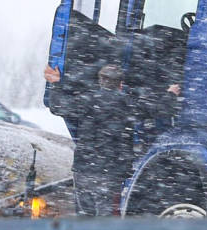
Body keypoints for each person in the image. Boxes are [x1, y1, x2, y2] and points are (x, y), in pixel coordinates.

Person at [44, 62, 142, 217]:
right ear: (120, 84)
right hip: (112, 170)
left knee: (85, 214)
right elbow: (153, 112)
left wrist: (55, 83)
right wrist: (170, 94)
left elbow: (58, 107)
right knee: (106, 214)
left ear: (100, 81)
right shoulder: (128, 104)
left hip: (85, 168)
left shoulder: (87, 100)